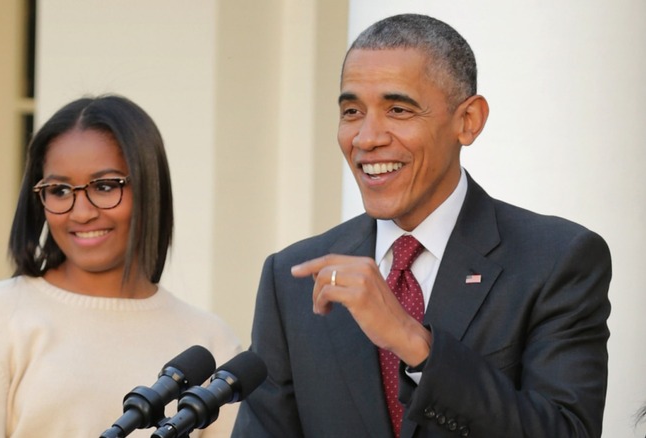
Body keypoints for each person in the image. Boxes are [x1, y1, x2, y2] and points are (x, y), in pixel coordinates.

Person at [233, 14, 611, 438]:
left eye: (397, 109)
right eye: (352, 111)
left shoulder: (557, 259)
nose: (366, 137)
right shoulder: (293, 278)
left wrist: (416, 347)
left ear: (468, 121)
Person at [0, 95, 241, 438]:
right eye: (60, 190)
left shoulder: (210, 342)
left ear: (150, 187)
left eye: (106, 186)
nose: (81, 212)